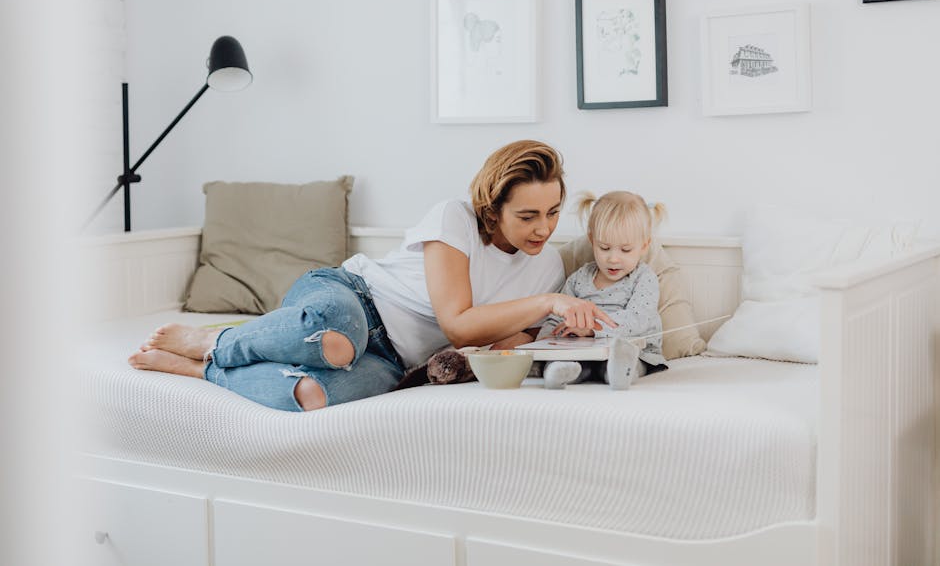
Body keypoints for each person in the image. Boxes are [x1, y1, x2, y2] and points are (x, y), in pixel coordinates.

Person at [128, 140, 615, 411]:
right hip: (353, 297)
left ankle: (202, 369)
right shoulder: (456, 219)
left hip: (397, 357)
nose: (545, 228)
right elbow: (459, 324)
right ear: (493, 207)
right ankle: (214, 342)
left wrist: (552, 333)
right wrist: (548, 305)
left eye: (553, 212)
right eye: (528, 215)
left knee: (313, 396)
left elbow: (492, 342)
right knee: (337, 341)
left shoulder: (549, 267)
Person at [535, 190, 668, 390]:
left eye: (625, 250)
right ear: (592, 241)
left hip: (634, 350)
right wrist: (546, 340)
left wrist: (591, 329)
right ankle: (560, 370)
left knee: (628, 360)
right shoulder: (579, 279)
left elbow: (638, 319)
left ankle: (618, 372)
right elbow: (558, 315)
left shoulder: (643, 277)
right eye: (604, 248)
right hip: (584, 352)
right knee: (574, 363)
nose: (613, 258)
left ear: (644, 246)